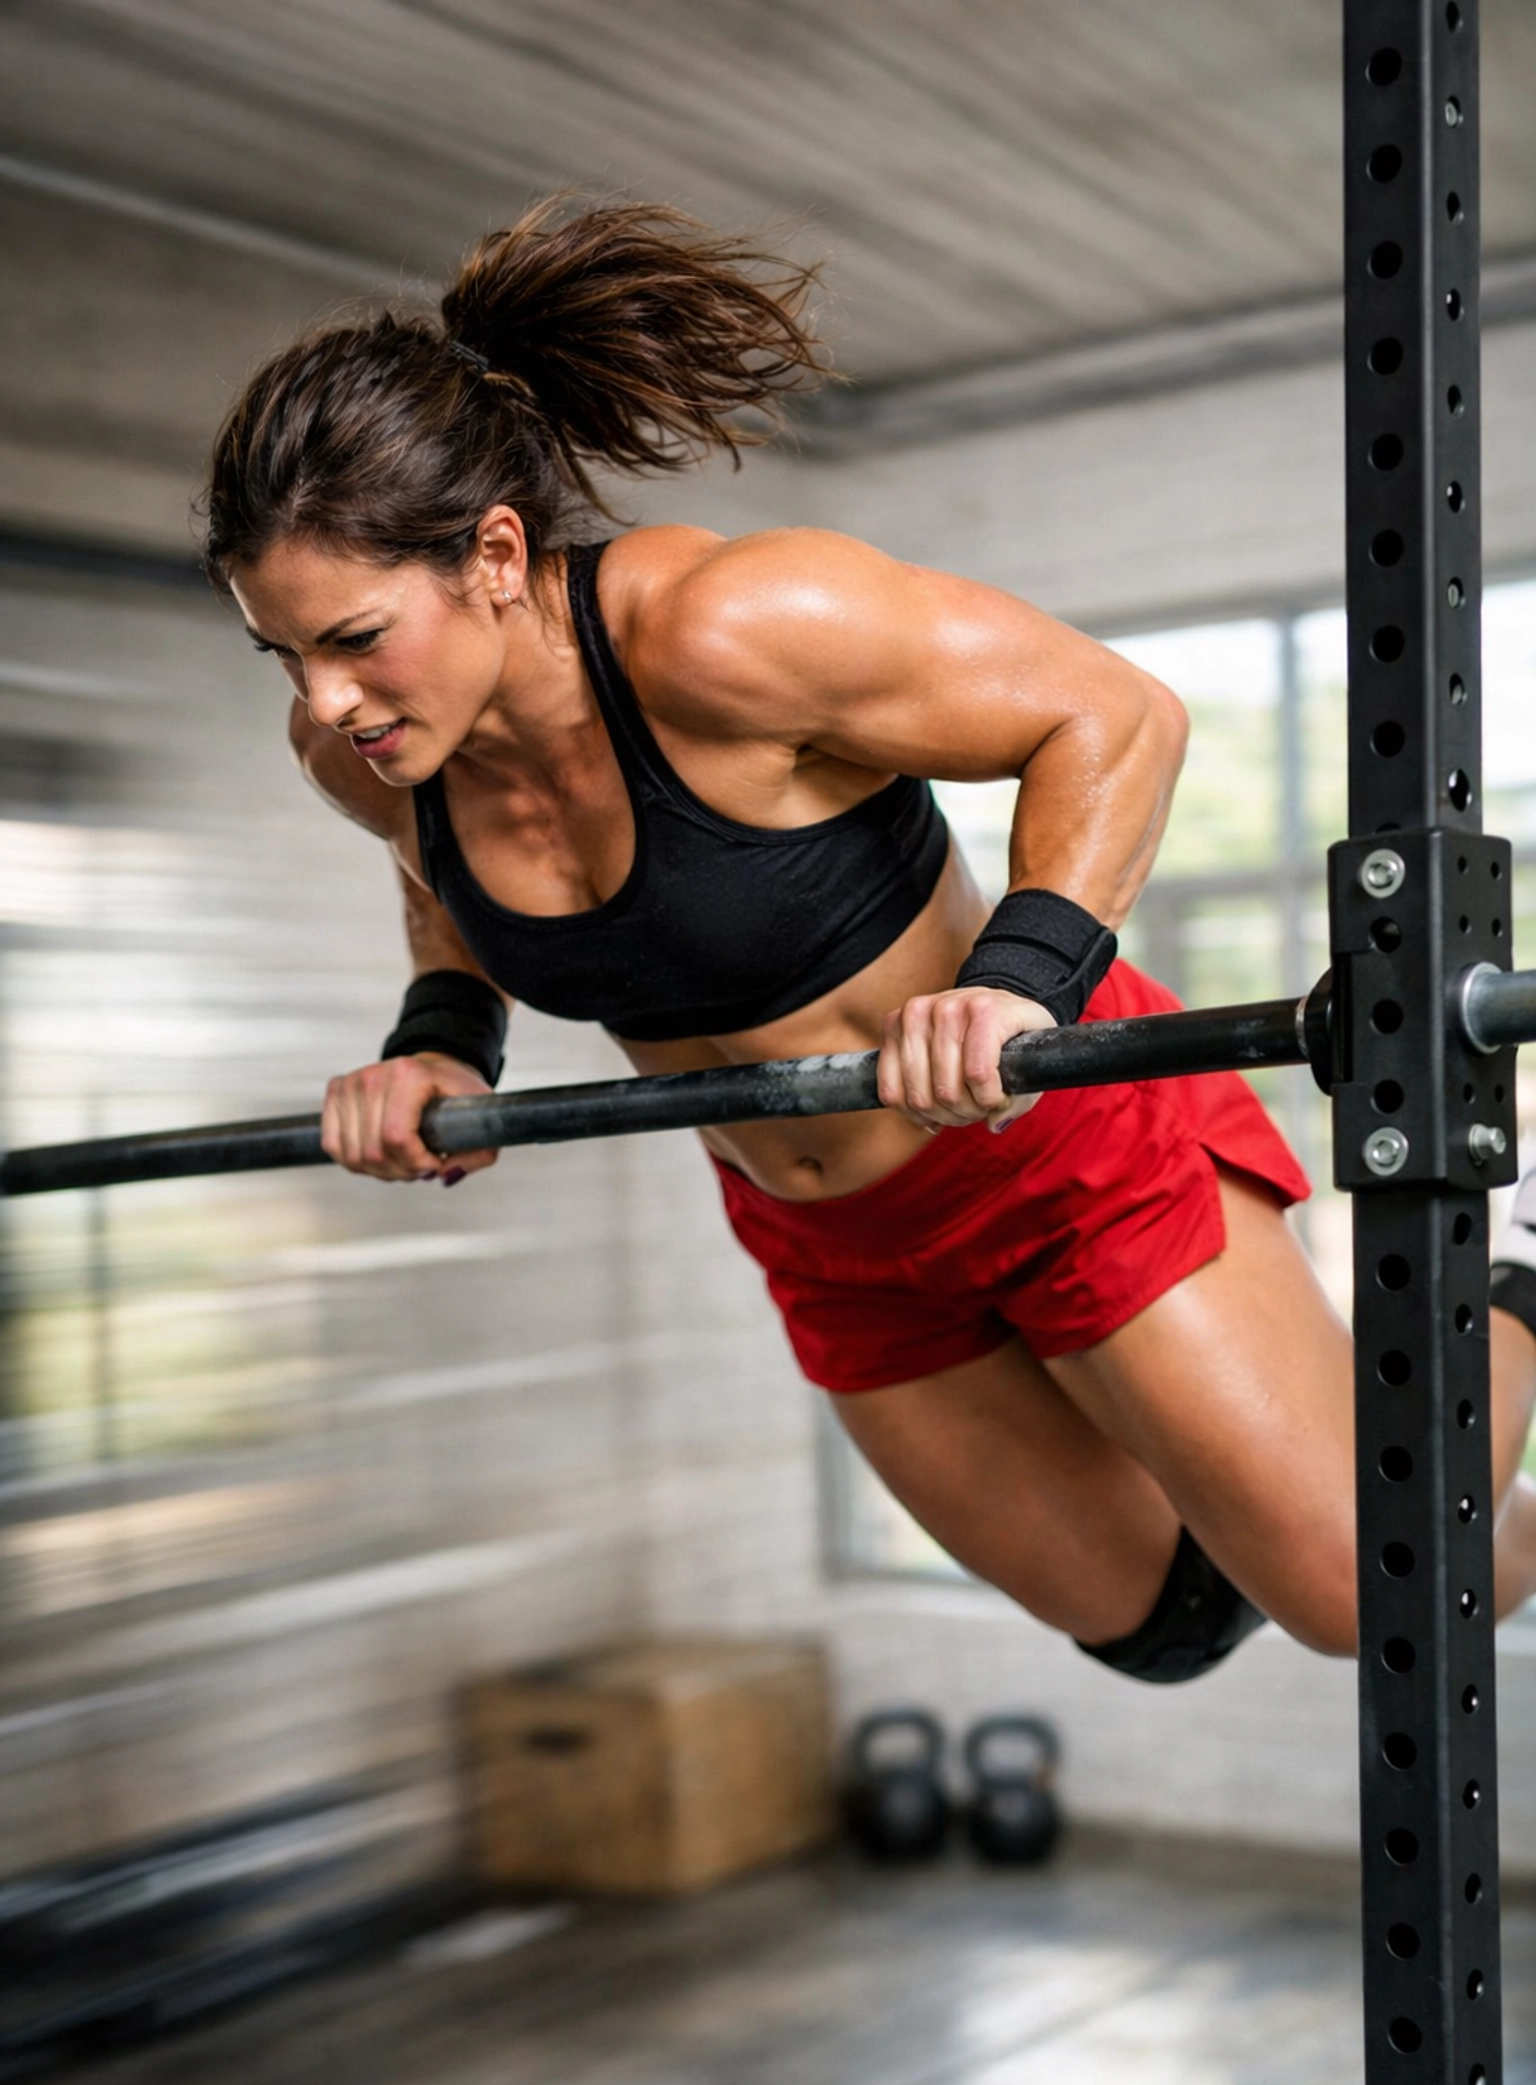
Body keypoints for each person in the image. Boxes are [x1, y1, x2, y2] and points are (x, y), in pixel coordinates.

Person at [202, 196, 1536, 1682]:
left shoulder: (729, 629)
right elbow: (442, 893)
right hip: (827, 1241)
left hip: (1046, 1158)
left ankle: (1518, 1284)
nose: (321, 701)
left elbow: (1111, 714)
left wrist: (1014, 983)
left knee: (1384, 1589)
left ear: (496, 554)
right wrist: (437, 1042)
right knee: (1156, 1620)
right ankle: (1315, 1456)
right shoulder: (375, 760)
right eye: (284, 651)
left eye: (353, 636)